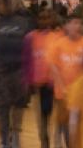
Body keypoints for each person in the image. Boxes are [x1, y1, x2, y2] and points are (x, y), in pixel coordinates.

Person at [0, 0, 32, 148]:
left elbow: (30, 46)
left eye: (0, 3)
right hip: (2, 70)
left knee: (19, 105)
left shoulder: (24, 22)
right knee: (3, 107)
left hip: (20, 69)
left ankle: (15, 136)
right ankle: (3, 140)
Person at [48, 14, 83, 148]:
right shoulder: (58, 45)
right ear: (66, 26)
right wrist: (62, 87)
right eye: (74, 23)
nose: (77, 26)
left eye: (80, 23)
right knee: (68, 129)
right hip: (64, 95)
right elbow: (54, 67)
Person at [22, 8, 62, 148]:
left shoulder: (58, 36)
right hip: (37, 86)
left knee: (54, 121)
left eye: (47, 17)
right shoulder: (30, 37)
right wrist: (27, 82)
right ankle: (44, 144)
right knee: (41, 122)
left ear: (52, 19)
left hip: (54, 86)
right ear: (37, 20)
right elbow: (26, 61)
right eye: (41, 18)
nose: (44, 21)